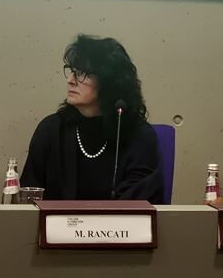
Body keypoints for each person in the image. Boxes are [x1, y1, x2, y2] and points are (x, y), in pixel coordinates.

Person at [20, 35, 163, 203]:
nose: (70, 80)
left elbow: (137, 207)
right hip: (55, 222)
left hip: (117, 222)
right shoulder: (52, 130)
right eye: (71, 71)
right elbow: (28, 198)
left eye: (81, 74)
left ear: (109, 82)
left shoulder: (139, 136)